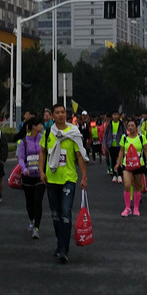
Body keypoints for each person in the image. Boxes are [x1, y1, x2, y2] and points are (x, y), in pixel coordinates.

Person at [42, 104, 89, 263]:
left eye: (63, 112)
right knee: (55, 215)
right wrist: (41, 171)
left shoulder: (73, 133)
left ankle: (64, 249)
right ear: (52, 115)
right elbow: (42, 151)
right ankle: (59, 242)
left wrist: (84, 177)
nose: (61, 115)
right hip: (52, 178)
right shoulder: (48, 132)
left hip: (69, 178)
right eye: (57, 113)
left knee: (66, 213)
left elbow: (80, 155)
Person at [16, 116, 47, 238]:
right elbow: (20, 158)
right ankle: (31, 220)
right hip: (28, 176)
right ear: (34, 126)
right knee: (29, 203)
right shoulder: (24, 141)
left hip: (40, 176)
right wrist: (24, 169)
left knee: (38, 201)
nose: (42, 126)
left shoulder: (43, 139)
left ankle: (36, 228)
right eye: (40, 124)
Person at [117, 119, 147, 217]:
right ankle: (127, 208)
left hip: (139, 164)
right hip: (127, 165)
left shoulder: (141, 138)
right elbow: (121, 151)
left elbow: (146, 151)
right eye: (129, 126)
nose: (130, 127)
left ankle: (136, 207)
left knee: (137, 186)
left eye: (132, 125)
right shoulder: (124, 138)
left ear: (136, 127)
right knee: (127, 185)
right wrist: (118, 163)